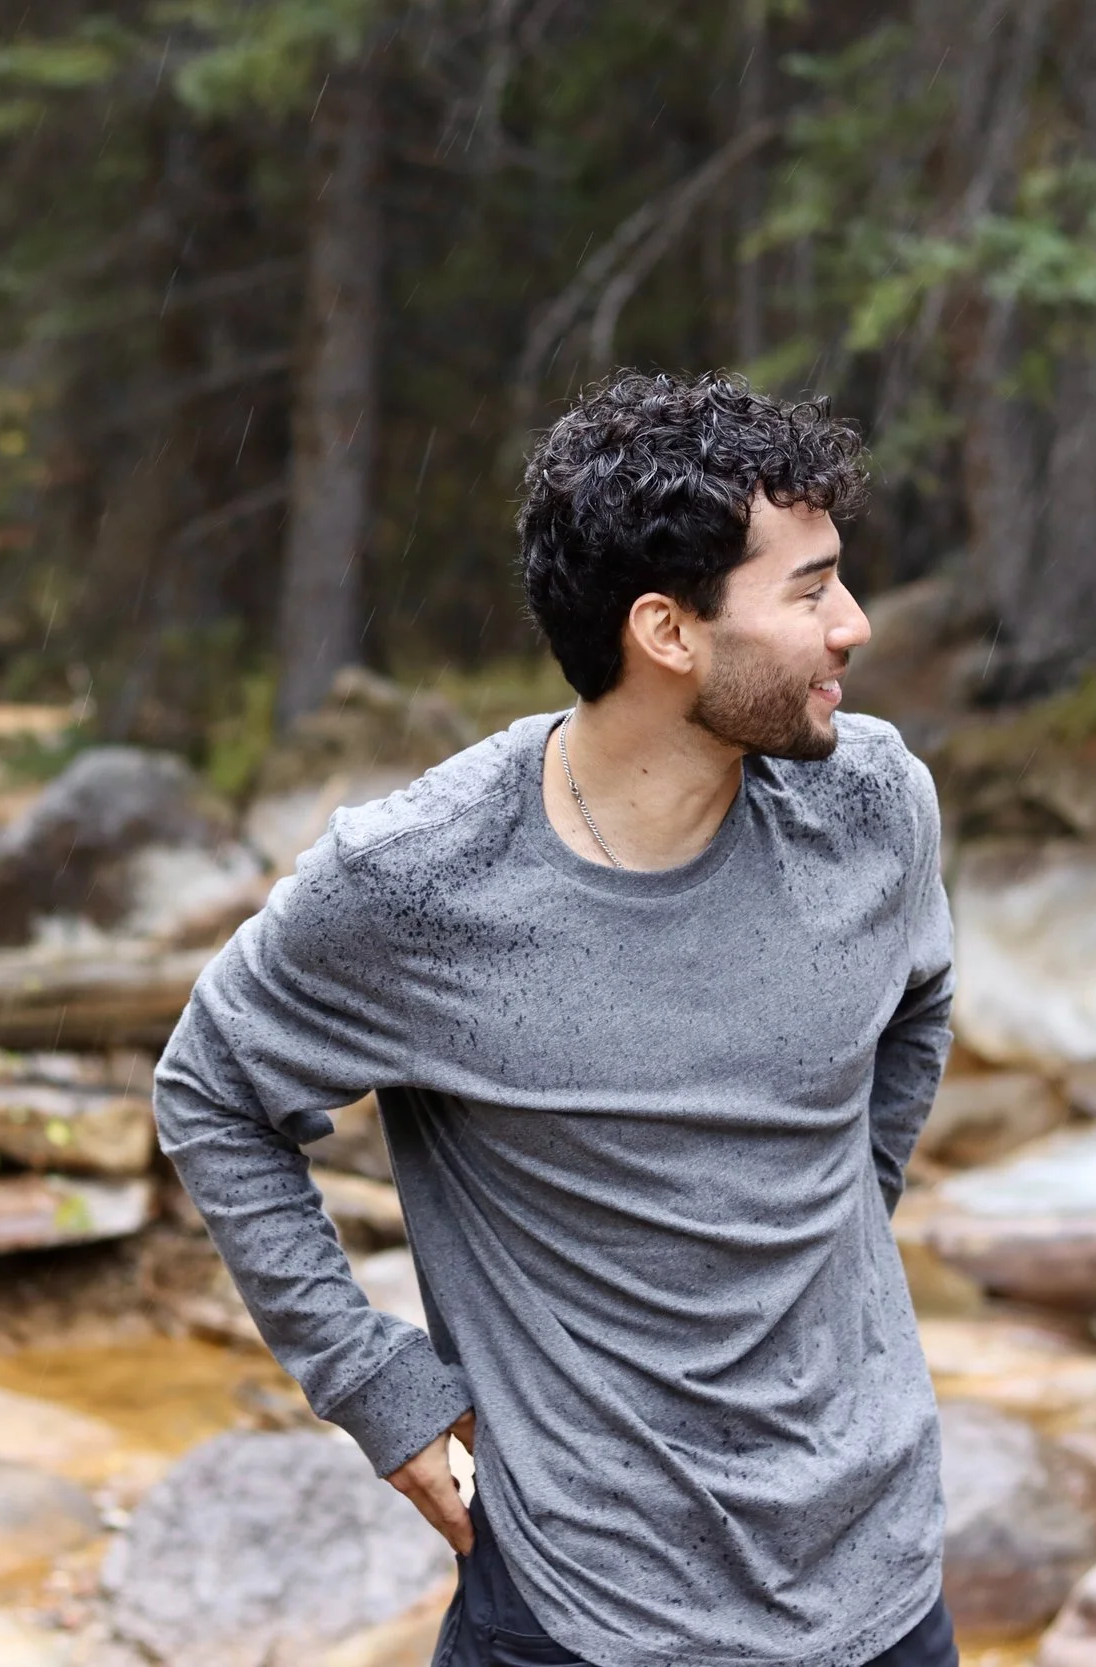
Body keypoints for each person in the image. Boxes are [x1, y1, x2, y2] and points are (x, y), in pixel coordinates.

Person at [155, 370, 958, 1667]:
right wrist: (375, 1385)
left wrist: (846, 1220)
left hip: (881, 1584)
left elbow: (919, 996)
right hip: (577, 1609)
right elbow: (213, 1090)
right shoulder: (417, 883)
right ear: (668, 631)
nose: (853, 624)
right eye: (809, 590)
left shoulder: (873, 803)